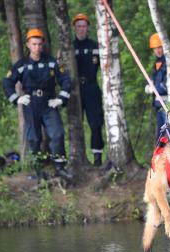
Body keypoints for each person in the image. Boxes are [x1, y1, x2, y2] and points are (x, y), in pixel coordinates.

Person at [3, 28, 72, 180]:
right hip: (31, 103)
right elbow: (7, 82)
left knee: (57, 133)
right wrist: (16, 99)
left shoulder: (51, 62)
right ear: (27, 44)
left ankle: (60, 167)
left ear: (43, 44)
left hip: (49, 103)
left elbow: (66, 79)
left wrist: (61, 98)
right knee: (34, 138)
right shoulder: (21, 65)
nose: (37, 48)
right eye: (34, 44)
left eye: (39, 44)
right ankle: (38, 171)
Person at [72, 13, 105, 167]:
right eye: (78, 26)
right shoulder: (69, 47)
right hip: (75, 90)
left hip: (91, 87)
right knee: (75, 123)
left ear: (88, 28)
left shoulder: (95, 46)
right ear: (74, 28)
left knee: (96, 123)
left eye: (84, 26)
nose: (81, 29)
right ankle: (77, 158)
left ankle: (97, 157)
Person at [145, 33, 170, 139]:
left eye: (159, 47)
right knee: (162, 137)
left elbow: (169, 85)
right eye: (155, 48)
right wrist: (148, 85)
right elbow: (152, 79)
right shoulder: (157, 63)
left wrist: (154, 89)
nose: (157, 50)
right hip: (160, 106)